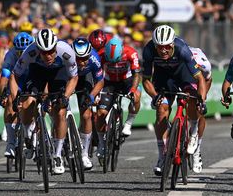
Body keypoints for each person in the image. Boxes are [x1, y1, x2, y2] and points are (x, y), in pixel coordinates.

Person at [10, 28, 78, 175]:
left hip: (58, 74)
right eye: (44, 52)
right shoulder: (30, 52)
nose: (48, 56)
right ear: (38, 49)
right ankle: (29, 133)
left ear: (56, 46)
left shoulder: (65, 51)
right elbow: (15, 75)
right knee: (27, 102)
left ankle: (57, 155)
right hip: (37, 73)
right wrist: (15, 98)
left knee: (60, 112)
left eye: (51, 51)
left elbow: (74, 77)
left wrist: (65, 96)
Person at [142, 24, 207, 176]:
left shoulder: (183, 49)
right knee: (161, 110)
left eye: (166, 47)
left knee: (192, 101)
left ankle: (193, 134)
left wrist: (201, 100)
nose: (163, 50)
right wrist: (155, 96)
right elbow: (145, 80)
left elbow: (200, 79)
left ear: (172, 44)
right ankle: (162, 156)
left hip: (183, 74)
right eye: (159, 47)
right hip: (163, 78)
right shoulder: (149, 50)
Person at [96, 37, 141, 163]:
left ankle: (128, 123)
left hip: (127, 81)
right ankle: (101, 142)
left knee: (137, 95)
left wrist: (132, 90)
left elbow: (137, 74)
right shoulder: (101, 55)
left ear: (121, 52)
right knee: (100, 113)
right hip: (109, 83)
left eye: (117, 61)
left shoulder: (131, 53)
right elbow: (95, 74)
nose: (115, 64)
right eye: (112, 62)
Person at [0, 32, 34, 157]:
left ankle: (34, 131)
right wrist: (2, 93)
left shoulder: (36, 51)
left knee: (32, 101)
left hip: (33, 77)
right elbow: (4, 76)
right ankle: (11, 142)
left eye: (24, 52)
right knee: (9, 101)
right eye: (19, 52)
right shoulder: (10, 55)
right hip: (17, 79)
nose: (21, 55)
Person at [71, 37, 104, 170]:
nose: (82, 62)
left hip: (85, 79)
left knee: (86, 115)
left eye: (85, 58)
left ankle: (84, 154)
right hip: (67, 75)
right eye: (78, 58)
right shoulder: (67, 56)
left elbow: (100, 81)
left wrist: (91, 96)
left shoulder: (94, 59)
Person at [189, 46, 212, 173]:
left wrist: (201, 100)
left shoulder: (203, 64)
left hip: (201, 79)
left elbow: (207, 79)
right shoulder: (179, 59)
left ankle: (197, 150)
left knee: (199, 110)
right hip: (182, 76)